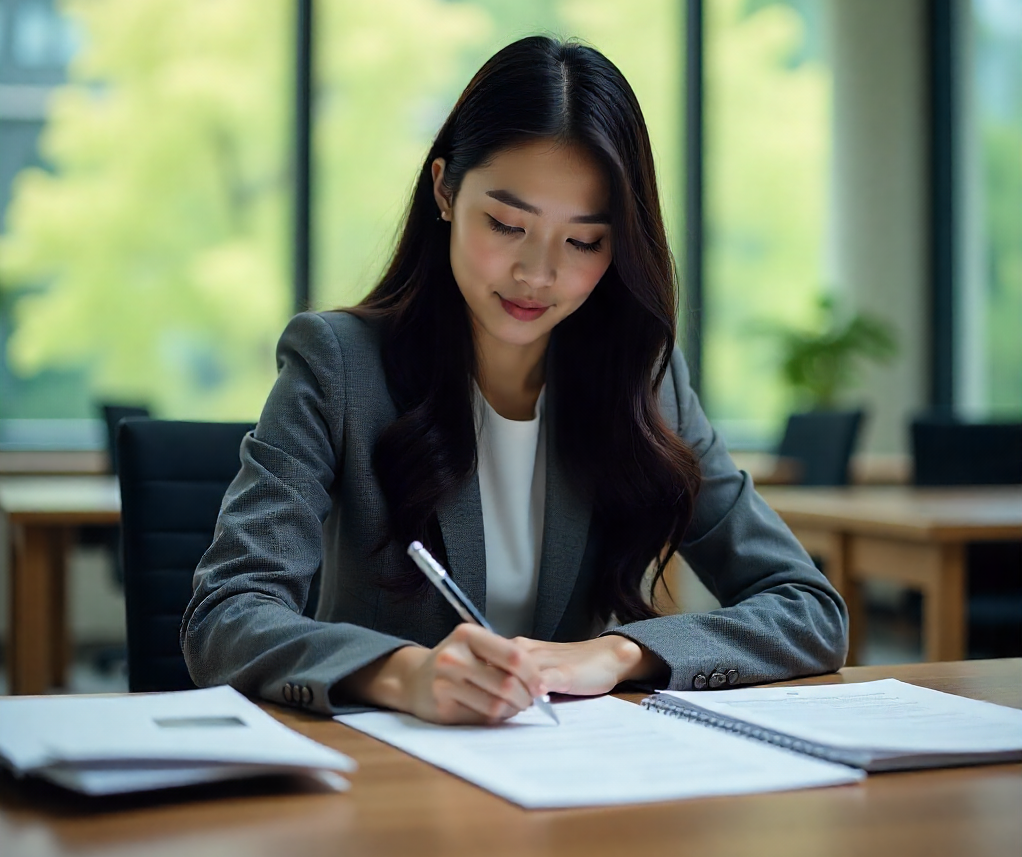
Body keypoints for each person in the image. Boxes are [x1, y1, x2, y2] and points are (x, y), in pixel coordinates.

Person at [182, 36, 847, 724]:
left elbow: (807, 609)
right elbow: (226, 616)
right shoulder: (339, 364)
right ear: (444, 188)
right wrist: (404, 675)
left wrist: (617, 653)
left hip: (570, 779)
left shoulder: (642, 380)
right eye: (506, 224)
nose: (537, 273)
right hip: (387, 779)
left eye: (583, 240)